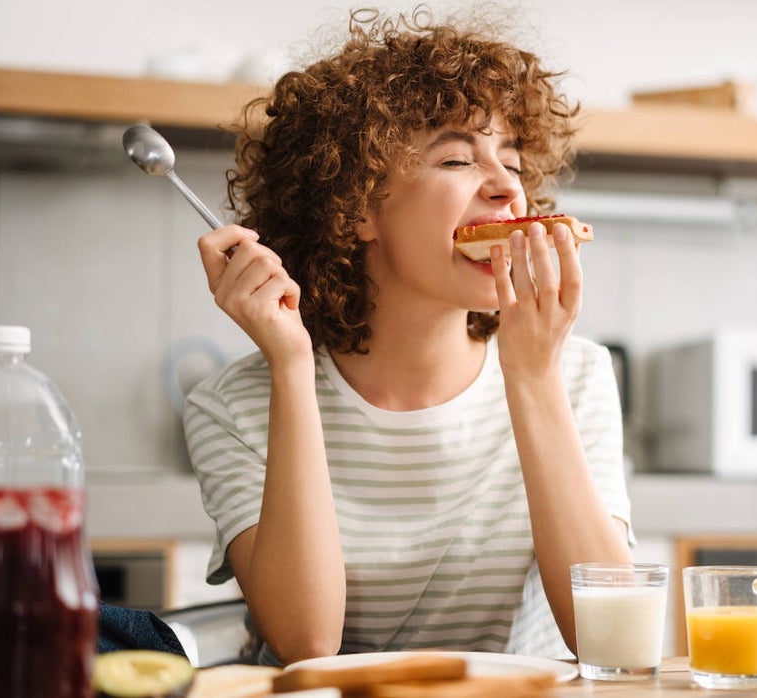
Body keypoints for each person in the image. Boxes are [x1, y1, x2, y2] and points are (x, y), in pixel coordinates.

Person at [183, 6, 633, 665]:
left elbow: (613, 641)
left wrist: (533, 376)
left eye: (511, 160)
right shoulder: (236, 406)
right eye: (457, 159)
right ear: (357, 206)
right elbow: (308, 643)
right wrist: (289, 366)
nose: (507, 186)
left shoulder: (575, 375)